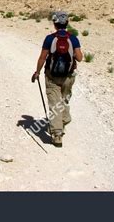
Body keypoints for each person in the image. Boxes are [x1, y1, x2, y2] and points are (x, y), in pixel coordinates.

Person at [31, 11, 83, 147]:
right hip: (69, 76)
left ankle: (57, 134)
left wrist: (37, 72)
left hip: (52, 76)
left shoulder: (49, 39)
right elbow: (79, 58)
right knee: (64, 100)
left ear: (54, 24)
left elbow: (42, 57)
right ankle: (64, 120)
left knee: (55, 104)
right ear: (67, 23)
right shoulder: (73, 38)